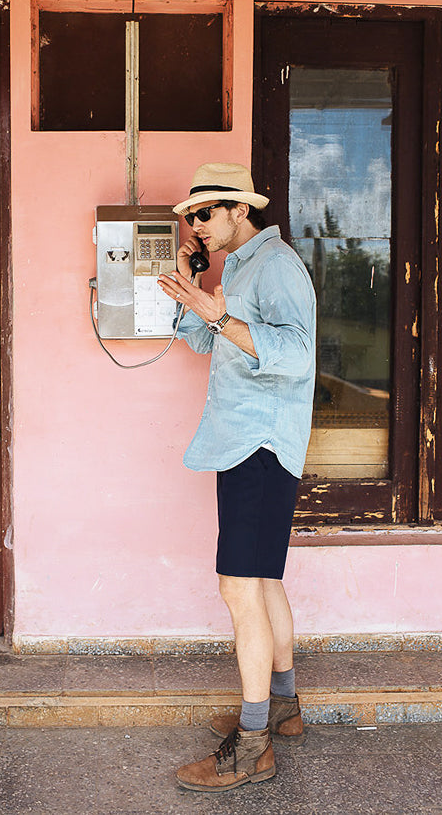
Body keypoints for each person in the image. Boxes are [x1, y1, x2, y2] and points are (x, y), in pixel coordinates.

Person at [157, 162, 316, 793]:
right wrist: (199, 291)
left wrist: (221, 319)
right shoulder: (239, 266)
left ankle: (252, 746)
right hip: (241, 442)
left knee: (239, 589)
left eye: (202, 214)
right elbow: (204, 343)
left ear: (237, 210)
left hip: (262, 443)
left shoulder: (275, 265)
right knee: (263, 582)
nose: (194, 226)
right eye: (189, 218)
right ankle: (283, 708)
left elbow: (299, 356)